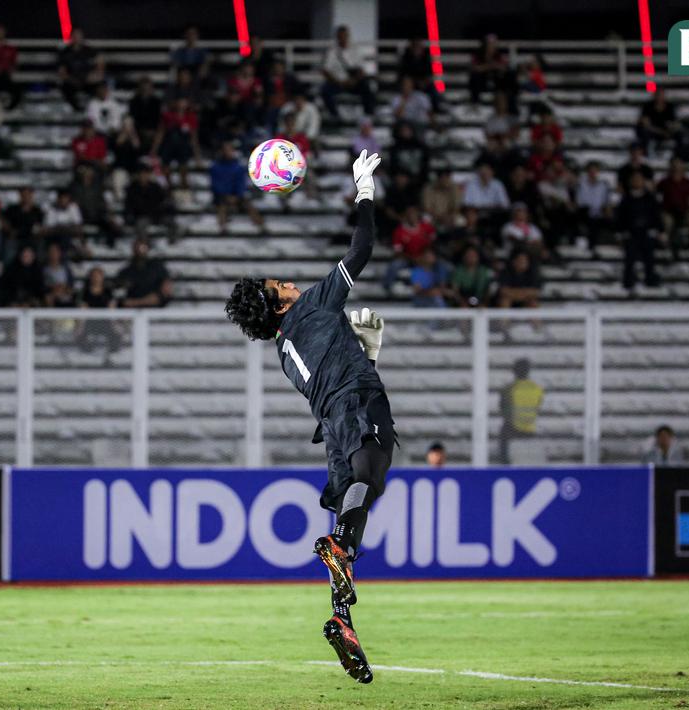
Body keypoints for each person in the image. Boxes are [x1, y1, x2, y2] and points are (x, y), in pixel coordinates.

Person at [222, 150, 385, 683]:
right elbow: (362, 249)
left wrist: (363, 352)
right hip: (356, 401)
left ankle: (343, 618)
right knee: (371, 475)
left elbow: (331, 372)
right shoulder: (313, 305)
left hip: (333, 425)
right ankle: (342, 549)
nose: (290, 283)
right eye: (281, 287)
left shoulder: (284, 352)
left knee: (349, 506)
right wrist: (364, 192)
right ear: (280, 306)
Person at [615, 171, 663, 291]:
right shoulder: (626, 198)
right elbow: (620, 217)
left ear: (643, 182)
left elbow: (656, 215)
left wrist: (660, 231)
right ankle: (628, 280)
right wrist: (620, 233)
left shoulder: (650, 198)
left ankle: (650, 279)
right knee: (629, 256)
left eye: (639, 179)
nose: (637, 182)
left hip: (646, 232)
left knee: (649, 256)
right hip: (631, 233)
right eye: (634, 180)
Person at [320, 25, 376, 125]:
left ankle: (368, 115)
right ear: (337, 37)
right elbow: (325, 70)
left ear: (348, 36)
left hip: (353, 82)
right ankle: (335, 115)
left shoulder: (355, 49)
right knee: (324, 90)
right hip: (337, 82)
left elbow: (361, 70)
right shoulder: (332, 51)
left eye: (345, 36)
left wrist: (354, 81)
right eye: (340, 36)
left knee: (367, 87)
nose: (343, 38)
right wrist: (338, 82)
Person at [210, 141, 263, 232]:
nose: (228, 152)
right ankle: (222, 228)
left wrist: (237, 195)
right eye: (226, 150)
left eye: (230, 150)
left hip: (236, 195)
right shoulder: (215, 167)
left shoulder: (238, 167)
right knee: (221, 206)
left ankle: (261, 226)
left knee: (249, 205)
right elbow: (216, 184)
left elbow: (241, 183)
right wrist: (226, 195)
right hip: (221, 196)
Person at [499, 359, 543, 464]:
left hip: (512, 431)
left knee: (504, 432)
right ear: (528, 371)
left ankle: (505, 464)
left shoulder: (509, 388)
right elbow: (538, 405)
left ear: (514, 371)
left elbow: (503, 409)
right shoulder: (537, 388)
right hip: (530, 430)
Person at [656, 158, 689, 261]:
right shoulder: (664, 182)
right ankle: (666, 244)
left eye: (678, 167)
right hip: (668, 212)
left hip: (684, 211)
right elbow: (656, 194)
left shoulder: (688, 182)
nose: (676, 169)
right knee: (667, 222)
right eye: (674, 167)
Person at [116, 238, 172, 308]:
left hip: (156, 310)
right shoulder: (126, 272)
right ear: (133, 249)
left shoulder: (157, 267)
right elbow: (120, 296)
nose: (140, 250)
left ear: (148, 248)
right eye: (137, 247)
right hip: (131, 311)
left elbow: (166, 291)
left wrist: (138, 302)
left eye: (142, 247)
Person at [57, 28, 104, 110]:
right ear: (71, 37)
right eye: (75, 36)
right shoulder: (65, 52)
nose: (77, 38)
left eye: (79, 36)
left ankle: (93, 109)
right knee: (65, 88)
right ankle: (76, 109)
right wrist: (71, 80)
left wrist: (96, 75)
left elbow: (100, 63)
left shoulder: (89, 50)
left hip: (88, 80)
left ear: (82, 37)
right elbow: (62, 72)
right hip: (72, 81)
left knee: (100, 85)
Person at [576, 161, 614, 253]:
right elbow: (580, 201)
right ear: (587, 172)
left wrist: (606, 209)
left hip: (600, 212)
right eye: (590, 171)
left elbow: (606, 200)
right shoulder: (582, 184)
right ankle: (591, 247)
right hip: (585, 212)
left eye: (594, 171)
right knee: (591, 221)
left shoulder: (603, 185)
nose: (592, 173)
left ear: (597, 172)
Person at [635, 86, 682, 154]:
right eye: (657, 94)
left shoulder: (670, 107)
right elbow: (646, 125)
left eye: (661, 95)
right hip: (653, 132)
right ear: (654, 95)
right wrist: (662, 132)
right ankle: (646, 153)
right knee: (643, 131)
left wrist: (670, 130)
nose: (659, 97)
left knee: (680, 134)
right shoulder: (647, 106)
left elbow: (674, 123)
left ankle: (678, 154)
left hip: (666, 132)